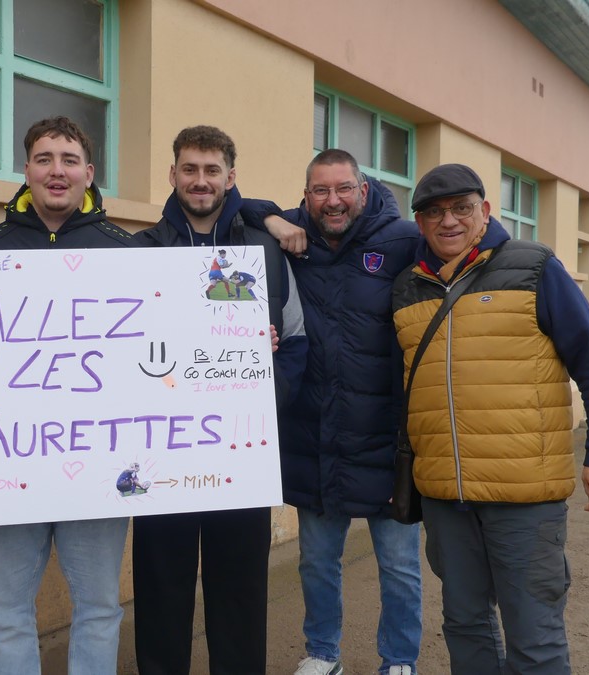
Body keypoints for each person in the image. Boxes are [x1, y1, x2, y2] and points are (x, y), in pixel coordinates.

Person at [392, 163, 589, 674]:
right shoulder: (408, 288)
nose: (448, 221)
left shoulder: (533, 267)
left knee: (534, 636)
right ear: (420, 224)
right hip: (445, 496)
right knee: (464, 624)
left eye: (461, 208)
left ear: (485, 211)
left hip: (524, 496)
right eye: (433, 212)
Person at [133, 125, 307, 675]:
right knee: (161, 588)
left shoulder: (266, 250)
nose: (200, 180)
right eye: (190, 169)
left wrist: (262, 404)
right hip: (163, 451)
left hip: (241, 450)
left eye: (212, 170)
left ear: (231, 178)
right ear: (172, 174)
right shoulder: (140, 250)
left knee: (239, 591)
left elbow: (295, 341)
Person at [242, 149, 423, 675]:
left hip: (385, 439)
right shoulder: (294, 236)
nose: (333, 200)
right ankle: (323, 653)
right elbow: (238, 205)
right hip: (315, 436)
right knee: (318, 561)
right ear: (306, 197)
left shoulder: (402, 240)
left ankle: (399, 660)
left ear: (363, 190)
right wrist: (274, 219)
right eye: (320, 191)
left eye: (343, 188)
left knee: (400, 565)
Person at [0, 116, 135, 675]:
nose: (56, 171)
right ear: (26, 171)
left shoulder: (128, 253)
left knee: (99, 608)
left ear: (89, 172)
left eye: (69, 160)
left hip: (97, 465)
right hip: (4, 462)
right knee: (6, 612)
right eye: (44, 159)